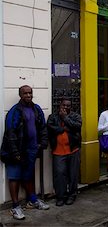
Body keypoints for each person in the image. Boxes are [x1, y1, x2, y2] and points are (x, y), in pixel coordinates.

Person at [0, 85, 49, 220]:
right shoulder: (14, 111)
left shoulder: (36, 108)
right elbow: (10, 134)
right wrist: (15, 152)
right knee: (15, 177)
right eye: (25, 93)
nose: (28, 95)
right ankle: (15, 207)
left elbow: (42, 128)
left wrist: (43, 143)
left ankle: (32, 200)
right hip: (16, 151)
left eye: (30, 93)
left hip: (32, 150)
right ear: (20, 95)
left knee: (28, 175)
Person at [47, 98, 82, 206]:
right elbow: (50, 127)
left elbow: (77, 126)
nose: (66, 107)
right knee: (60, 175)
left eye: (68, 106)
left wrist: (65, 118)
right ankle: (60, 197)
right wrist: (64, 129)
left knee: (73, 175)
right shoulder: (53, 117)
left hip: (73, 150)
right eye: (64, 105)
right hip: (58, 151)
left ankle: (72, 195)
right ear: (60, 105)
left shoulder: (75, 116)